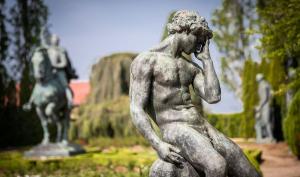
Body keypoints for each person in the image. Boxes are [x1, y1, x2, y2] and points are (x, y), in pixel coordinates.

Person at [130, 10, 261, 177]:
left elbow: (213, 97)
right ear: (184, 30)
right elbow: (136, 108)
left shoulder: (190, 67)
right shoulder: (147, 60)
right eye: (198, 39)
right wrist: (158, 144)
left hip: (202, 126)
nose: (199, 45)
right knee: (217, 166)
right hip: (174, 128)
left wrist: (207, 61)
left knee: (247, 170)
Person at [47, 34, 78, 108]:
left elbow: (64, 63)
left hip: (59, 71)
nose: (55, 41)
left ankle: (70, 101)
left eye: (57, 40)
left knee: (65, 86)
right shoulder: (48, 51)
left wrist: (55, 66)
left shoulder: (61, 50)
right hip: (49, 72)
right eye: (54, 39)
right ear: (51, 41)